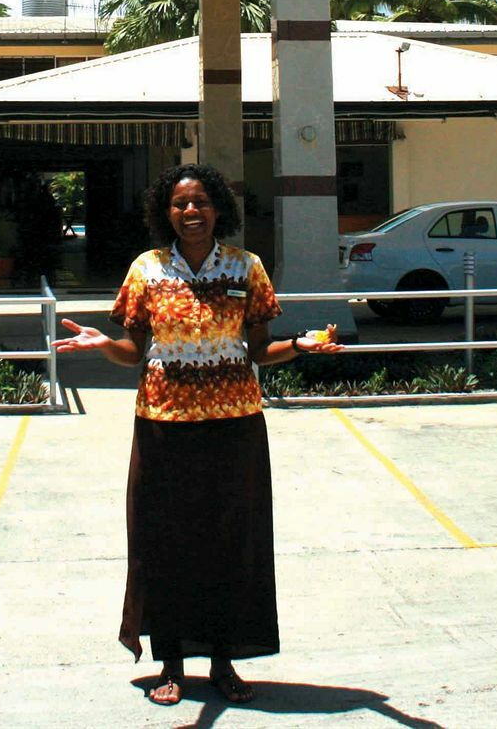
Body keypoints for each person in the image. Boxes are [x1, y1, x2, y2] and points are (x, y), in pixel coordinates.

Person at [55, 162, 342, 707]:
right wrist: (101, 344)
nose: (191, 212)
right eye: (181, 204)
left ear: (219, 210)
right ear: (166, 213)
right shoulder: (147, 270)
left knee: (231, 544)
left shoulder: (246, 267)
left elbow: (260, 350)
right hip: (164, 426)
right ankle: (170, 663)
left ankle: (224, 662)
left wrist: (301, 347)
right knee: (163, 543)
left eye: (202, 202)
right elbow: (131, 351)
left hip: (235, 428)